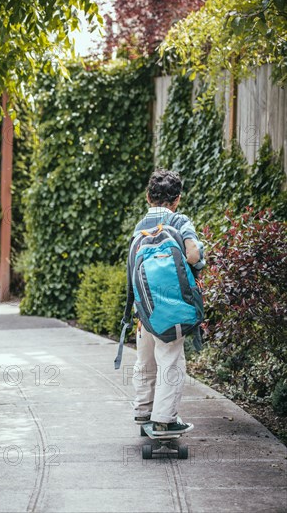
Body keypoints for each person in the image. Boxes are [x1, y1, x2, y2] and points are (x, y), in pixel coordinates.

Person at [130, 168, 205, 436]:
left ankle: (143, 411)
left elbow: (132, 270)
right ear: (177, 199)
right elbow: (193, 254)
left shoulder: (140, 228)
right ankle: (164, 420)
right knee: (170, 360)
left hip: (145, 309)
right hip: (172, 307)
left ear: (148, 197)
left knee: (145, 361)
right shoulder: (179, 221)